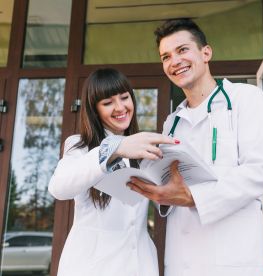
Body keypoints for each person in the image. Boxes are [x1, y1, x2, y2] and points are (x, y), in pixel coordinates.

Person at [127, 19, 263, 276]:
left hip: (234, 258)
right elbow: (170, 182)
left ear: (206, 53)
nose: (174, 61)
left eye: (182, 50)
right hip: (182, 259)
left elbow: (257, 174)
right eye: (166, 56)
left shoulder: (245, 99)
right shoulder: (171, 123)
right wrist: (156, 190)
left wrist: (193, 197)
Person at [48, 68, 178, 276]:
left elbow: (160, 202)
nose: (120, 107)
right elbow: (59, 188)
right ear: (94, 109)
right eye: (108, 103)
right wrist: (114, 149)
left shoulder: (144, 149)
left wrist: (167, 194)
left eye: (125, 98)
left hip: (139, 264)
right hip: (93, 266)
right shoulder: (80, 146)